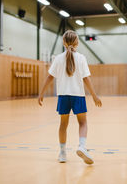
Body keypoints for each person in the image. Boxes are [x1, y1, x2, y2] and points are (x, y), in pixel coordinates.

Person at [38, 30, 102, 164]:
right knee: (83, 123)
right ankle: (82, 147)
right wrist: (95, 96)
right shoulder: (81, 58)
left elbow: (49, 77)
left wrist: (41, 93)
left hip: (63, 96)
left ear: (63, 42)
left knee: (63, 124)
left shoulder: (58, 58)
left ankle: (62, 153)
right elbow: (86, 79)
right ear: (77, 42)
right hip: (78, 95)